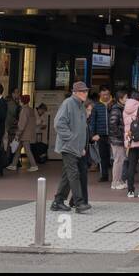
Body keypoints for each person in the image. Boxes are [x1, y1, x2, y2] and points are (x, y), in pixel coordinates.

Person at [50, 82, 92, 214]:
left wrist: (80, 146)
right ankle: (79, 203)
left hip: (75, 147)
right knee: (73, 174)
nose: (85, 93)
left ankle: (58, 201)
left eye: (86, 91)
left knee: (68, 175)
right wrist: (71, 138)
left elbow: (81, 129)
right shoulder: (68, 103)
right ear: (75, 92)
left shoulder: (80, 105)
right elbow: (59, 123)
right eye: (82, 91)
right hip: (68, 146)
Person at [11, 95, 40, 173]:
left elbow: (22, 124)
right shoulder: (31, 110)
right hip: (29, 132)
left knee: (27, 150)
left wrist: (18, 134)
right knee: (18, 150)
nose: (19, 101)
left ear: (22, 101)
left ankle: (34, 165)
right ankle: (13, 164)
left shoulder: (24, 110)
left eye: (20, 100)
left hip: (24, 134)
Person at [108, 89, 127, 189]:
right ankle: (115, 182)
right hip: (117, 139)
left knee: (121, 160)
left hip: (118, 139)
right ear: (120, 99)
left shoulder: (120, 108)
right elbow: (112, 124)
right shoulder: (116, 109)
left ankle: (119, 180)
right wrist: (120, 135)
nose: (127, 99)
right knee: (118, 160)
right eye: (125, 98)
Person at [91, 88, 111, 181]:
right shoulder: (96, 106)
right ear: (100, 94)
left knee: (114, 157)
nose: (105, 96)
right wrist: (93, 134)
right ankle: (104, 176)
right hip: (101, 135)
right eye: (103, 94)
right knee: (103, 156)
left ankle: (117, 176)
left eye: (107, 94)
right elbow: (93, 121)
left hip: (112, 135)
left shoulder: (113, 104)